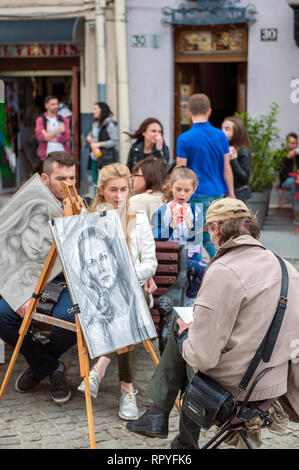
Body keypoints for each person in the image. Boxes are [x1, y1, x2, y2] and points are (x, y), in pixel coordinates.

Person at [126, 197, 299, 449]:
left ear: (216, 228)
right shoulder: (288, 269)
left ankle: (171, 429)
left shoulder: (225, 270)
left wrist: (188, 334)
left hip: (237, 389)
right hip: (274, 385)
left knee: (181, 333)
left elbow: (203, 358)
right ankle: (161, 418)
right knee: (186, 331)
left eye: (208, 230)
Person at [77, 163, 158, 421]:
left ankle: (100, 367)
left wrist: (127, 278)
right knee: (121, 308)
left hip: (135, 290)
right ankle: (127, 389)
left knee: (125, 303)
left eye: (124, 189)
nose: (119, 195)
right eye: (113, 190)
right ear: (101, 190)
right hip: (98, 295)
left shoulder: (138, 218)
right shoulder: (90, 219)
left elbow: (150, 263)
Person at [0, 151, 77, 404]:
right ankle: (51, 367)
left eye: (72, 177)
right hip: (27, 282)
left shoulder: (81, 206)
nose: (68, 184)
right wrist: (16, 293)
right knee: (2, 312)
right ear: (44, 178)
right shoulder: (25, 205)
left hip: (64, 286)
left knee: (72, 318)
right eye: (60, 178)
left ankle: (39, 366)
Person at [176, 93, 235, 259]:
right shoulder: (220, 135)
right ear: (209, 111)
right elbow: (227, 168)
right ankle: (224, 265)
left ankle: (199, 274)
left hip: (194, 195)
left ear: (189, 112)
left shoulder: (184, 138)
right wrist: (231, 194)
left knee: (195, 238)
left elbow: (181, 170)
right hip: (217, 194)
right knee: (214, 237)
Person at [151, 166, 207, 298]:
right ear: (171, 187)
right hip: (170, 258)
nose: (182, 194)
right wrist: (171, 226)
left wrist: (191, 225)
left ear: (193, 190)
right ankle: (190, 298)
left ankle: (190, 295)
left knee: (207, 270)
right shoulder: (162, 211)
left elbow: (198, 241)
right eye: (178, 189)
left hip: (190, 257)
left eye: (187, 190)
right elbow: (155, 239)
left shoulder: (195, 211)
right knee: (204, 269)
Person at [221, 116, 252, 203]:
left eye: (227, 129)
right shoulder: (223, 148)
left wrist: (233, 160)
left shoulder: (243, 152)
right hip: (224, 193)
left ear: (236, 132)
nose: (223, 132)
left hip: (238, 195)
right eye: (222, 128)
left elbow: (245, 178)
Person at [86, 102, 119, 185]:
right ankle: (97, 198)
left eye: (95, 109)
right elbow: (93, 134)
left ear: (102, 110)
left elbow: (115, 141)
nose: (93, 111)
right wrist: (89, 136)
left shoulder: (109, 124)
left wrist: (99, 144)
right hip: (94, 157)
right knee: (96, 183)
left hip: (105, 159)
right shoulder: (96, 124)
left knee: (105, 183)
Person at [129, 157, 167, 221]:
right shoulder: (170, 199)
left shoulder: (136, 200)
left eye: (135, 175)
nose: (132, 179)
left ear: (150, 178)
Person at [35, 95, 71, 161]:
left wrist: (47, 136)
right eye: (53, 104)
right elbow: (40, 137)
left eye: (56, 104)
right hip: (47, 156)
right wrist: (57, 131)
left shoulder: (63, 119)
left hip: (62, 155)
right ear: (46, 106)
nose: (55, 106)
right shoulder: (41, 120)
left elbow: (67, 137)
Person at [279, 132, 299, 222]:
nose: (295, 146)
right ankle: (297, 214)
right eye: (292, 143)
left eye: (296, 143)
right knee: (294, 183)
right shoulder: (281, 154)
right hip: (286, 181)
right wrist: (287, 158)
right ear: (287, 143)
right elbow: (277, 168)